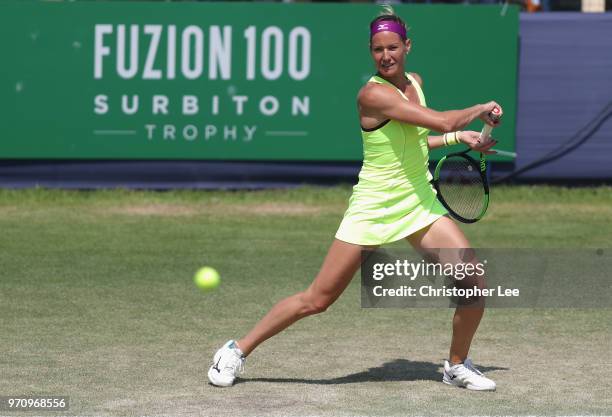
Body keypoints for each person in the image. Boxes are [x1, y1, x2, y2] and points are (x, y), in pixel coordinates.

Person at [208, 6, 502, 391]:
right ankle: (236, 349)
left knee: (471, 283)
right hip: (373, 208)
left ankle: (457, 364)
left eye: (393, 47)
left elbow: (415, 140)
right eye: (377, 49)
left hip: (417, 202)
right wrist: (478, 110)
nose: (385, 56)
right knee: (317, 300)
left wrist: (459, 139)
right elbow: (444, 119)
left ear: (407, 46)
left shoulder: (414, 81)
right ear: (371, 51)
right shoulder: (372, 95)